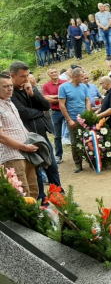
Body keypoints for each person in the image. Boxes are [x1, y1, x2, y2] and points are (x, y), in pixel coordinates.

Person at [9, 62, 62, 201]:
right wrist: (39, 112)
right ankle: (42, 200)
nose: (26, 79)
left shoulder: (30, 87)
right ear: (12, 76)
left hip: (42, 135)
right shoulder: (9, 92)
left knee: (52, 166)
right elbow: (23, 113)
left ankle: (59, 195)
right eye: (22, 76)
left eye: (27, 75)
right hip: (27, 138)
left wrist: (32, 94)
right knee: (36, 170)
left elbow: (46, 105)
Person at [0, 72, 39, 198]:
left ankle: (35, 217)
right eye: (5, 86)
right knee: (22, 194)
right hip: (12, 156)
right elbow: (1, 137)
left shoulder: (10, 102)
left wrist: (33, 139)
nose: (10, 88)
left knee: (33, 190)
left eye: (10, 85)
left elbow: (20, 127)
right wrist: (24, 146)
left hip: (26, 153)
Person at [58, 68, 91, 173]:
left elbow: (87, 100)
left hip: (84, 118)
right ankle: (78, 163)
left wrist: (88, 114)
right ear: (75, 76)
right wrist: (69, 120)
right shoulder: (63, 87)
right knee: (74, 142)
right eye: (82, 76)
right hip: (73, 118)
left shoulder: (83, 87)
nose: (83, 78)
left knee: (88, 140)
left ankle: (90, 160)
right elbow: (62, 105)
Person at [42, 68, 67, 164]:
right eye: (52, 72)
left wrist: (54, 97)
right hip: (55, 112)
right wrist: (61, 97)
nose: (54, 74)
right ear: (49, 75)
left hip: (67, 110)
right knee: (57, 135)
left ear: (58, 72)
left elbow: (68, 96)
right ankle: (58, 155)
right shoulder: (46, 86)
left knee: (74, 131)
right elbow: (47, 99)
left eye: (55, 72)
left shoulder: (65, 83)